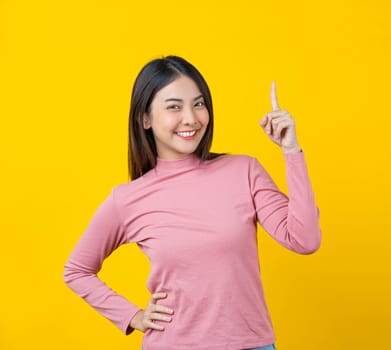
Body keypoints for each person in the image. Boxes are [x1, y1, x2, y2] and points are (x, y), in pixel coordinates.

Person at [63, 55, 322, 350]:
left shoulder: (244, 171)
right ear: (144, 118)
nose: (191, 118)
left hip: (252, 344)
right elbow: (76, 271)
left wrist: (291, 150)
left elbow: (305, 239)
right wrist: (132, 316)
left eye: (198, 104)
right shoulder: (127, 199)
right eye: (174, 106)